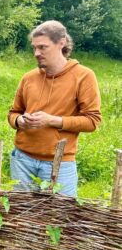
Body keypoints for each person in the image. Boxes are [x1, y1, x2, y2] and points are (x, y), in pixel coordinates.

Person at [7, 20, 102, 197]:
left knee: (59, 217)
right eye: (34, 48)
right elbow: (13, 113)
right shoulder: (28, 78)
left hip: (59, 163)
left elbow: (92, 121)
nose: (36, 53)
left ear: (61, 43)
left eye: (43, 47)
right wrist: (20, 121)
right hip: (22, 160)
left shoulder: (83, 76)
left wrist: (52, 120)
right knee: (21, 217)